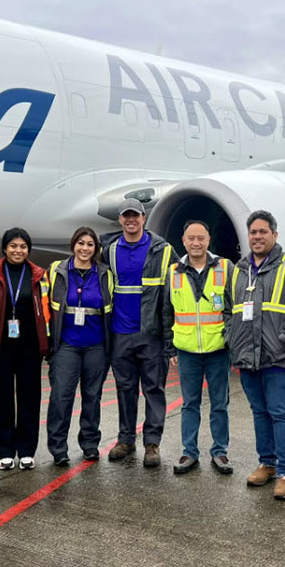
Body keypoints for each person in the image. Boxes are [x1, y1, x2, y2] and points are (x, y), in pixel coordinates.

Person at [227, 210, 285, 501]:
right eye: (253, 232)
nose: (257, 237)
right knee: (260, 412)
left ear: (274, 235)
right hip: (247, 355)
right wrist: (233, 340)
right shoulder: (239, 270)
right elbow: (230, 311)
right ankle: (268, 463)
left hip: (280, 357)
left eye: (263, 232)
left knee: (281, 412)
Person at [100, 198, 173, 468]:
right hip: (120, 333)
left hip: (150, 334)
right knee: (125, 389)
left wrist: (169, 338)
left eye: (135, 216)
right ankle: (126, 439)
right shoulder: (108, 250)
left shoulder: (162, 250)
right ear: (120, 220)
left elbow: (171, 294)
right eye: (125, 216)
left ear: (144, 218)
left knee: (154, 389)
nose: (131, 220)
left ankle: (152, 443)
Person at [163, 220, 234, 476]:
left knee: (219, 404)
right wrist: (169, 348)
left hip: (218, 349)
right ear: (183, 241)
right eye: (191, 238)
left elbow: (233, 306)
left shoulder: (225, 267)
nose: (196, 243)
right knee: (189, 404)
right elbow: (166, 311)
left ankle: (220, 452)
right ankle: (189, 452)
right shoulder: (173, 271)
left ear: (208, 240)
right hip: (186, 350)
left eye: (201, 238)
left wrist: (230, 340)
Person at [0, 227, 50, 470]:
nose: (18, 250)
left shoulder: (38, 276)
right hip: (0, 345)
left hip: (29, 346)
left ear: (28, 250)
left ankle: (27, 450)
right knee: (0, 399)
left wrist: (47, 342)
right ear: (4, 248)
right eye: (13, 246)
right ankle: (4, 451)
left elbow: (46, 312)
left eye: (22, 246)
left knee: (30, 398)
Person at [45, 227, 113, 466]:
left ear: (96, 248)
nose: (85, 248)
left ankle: (90, 444)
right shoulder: (57, 271)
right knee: (61, 397)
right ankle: (58, 448)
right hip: (66, 345)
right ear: (73, 245)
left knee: (92, 397)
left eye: (90, 244)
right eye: (81, 243)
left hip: (96, 346)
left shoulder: (105, 273)